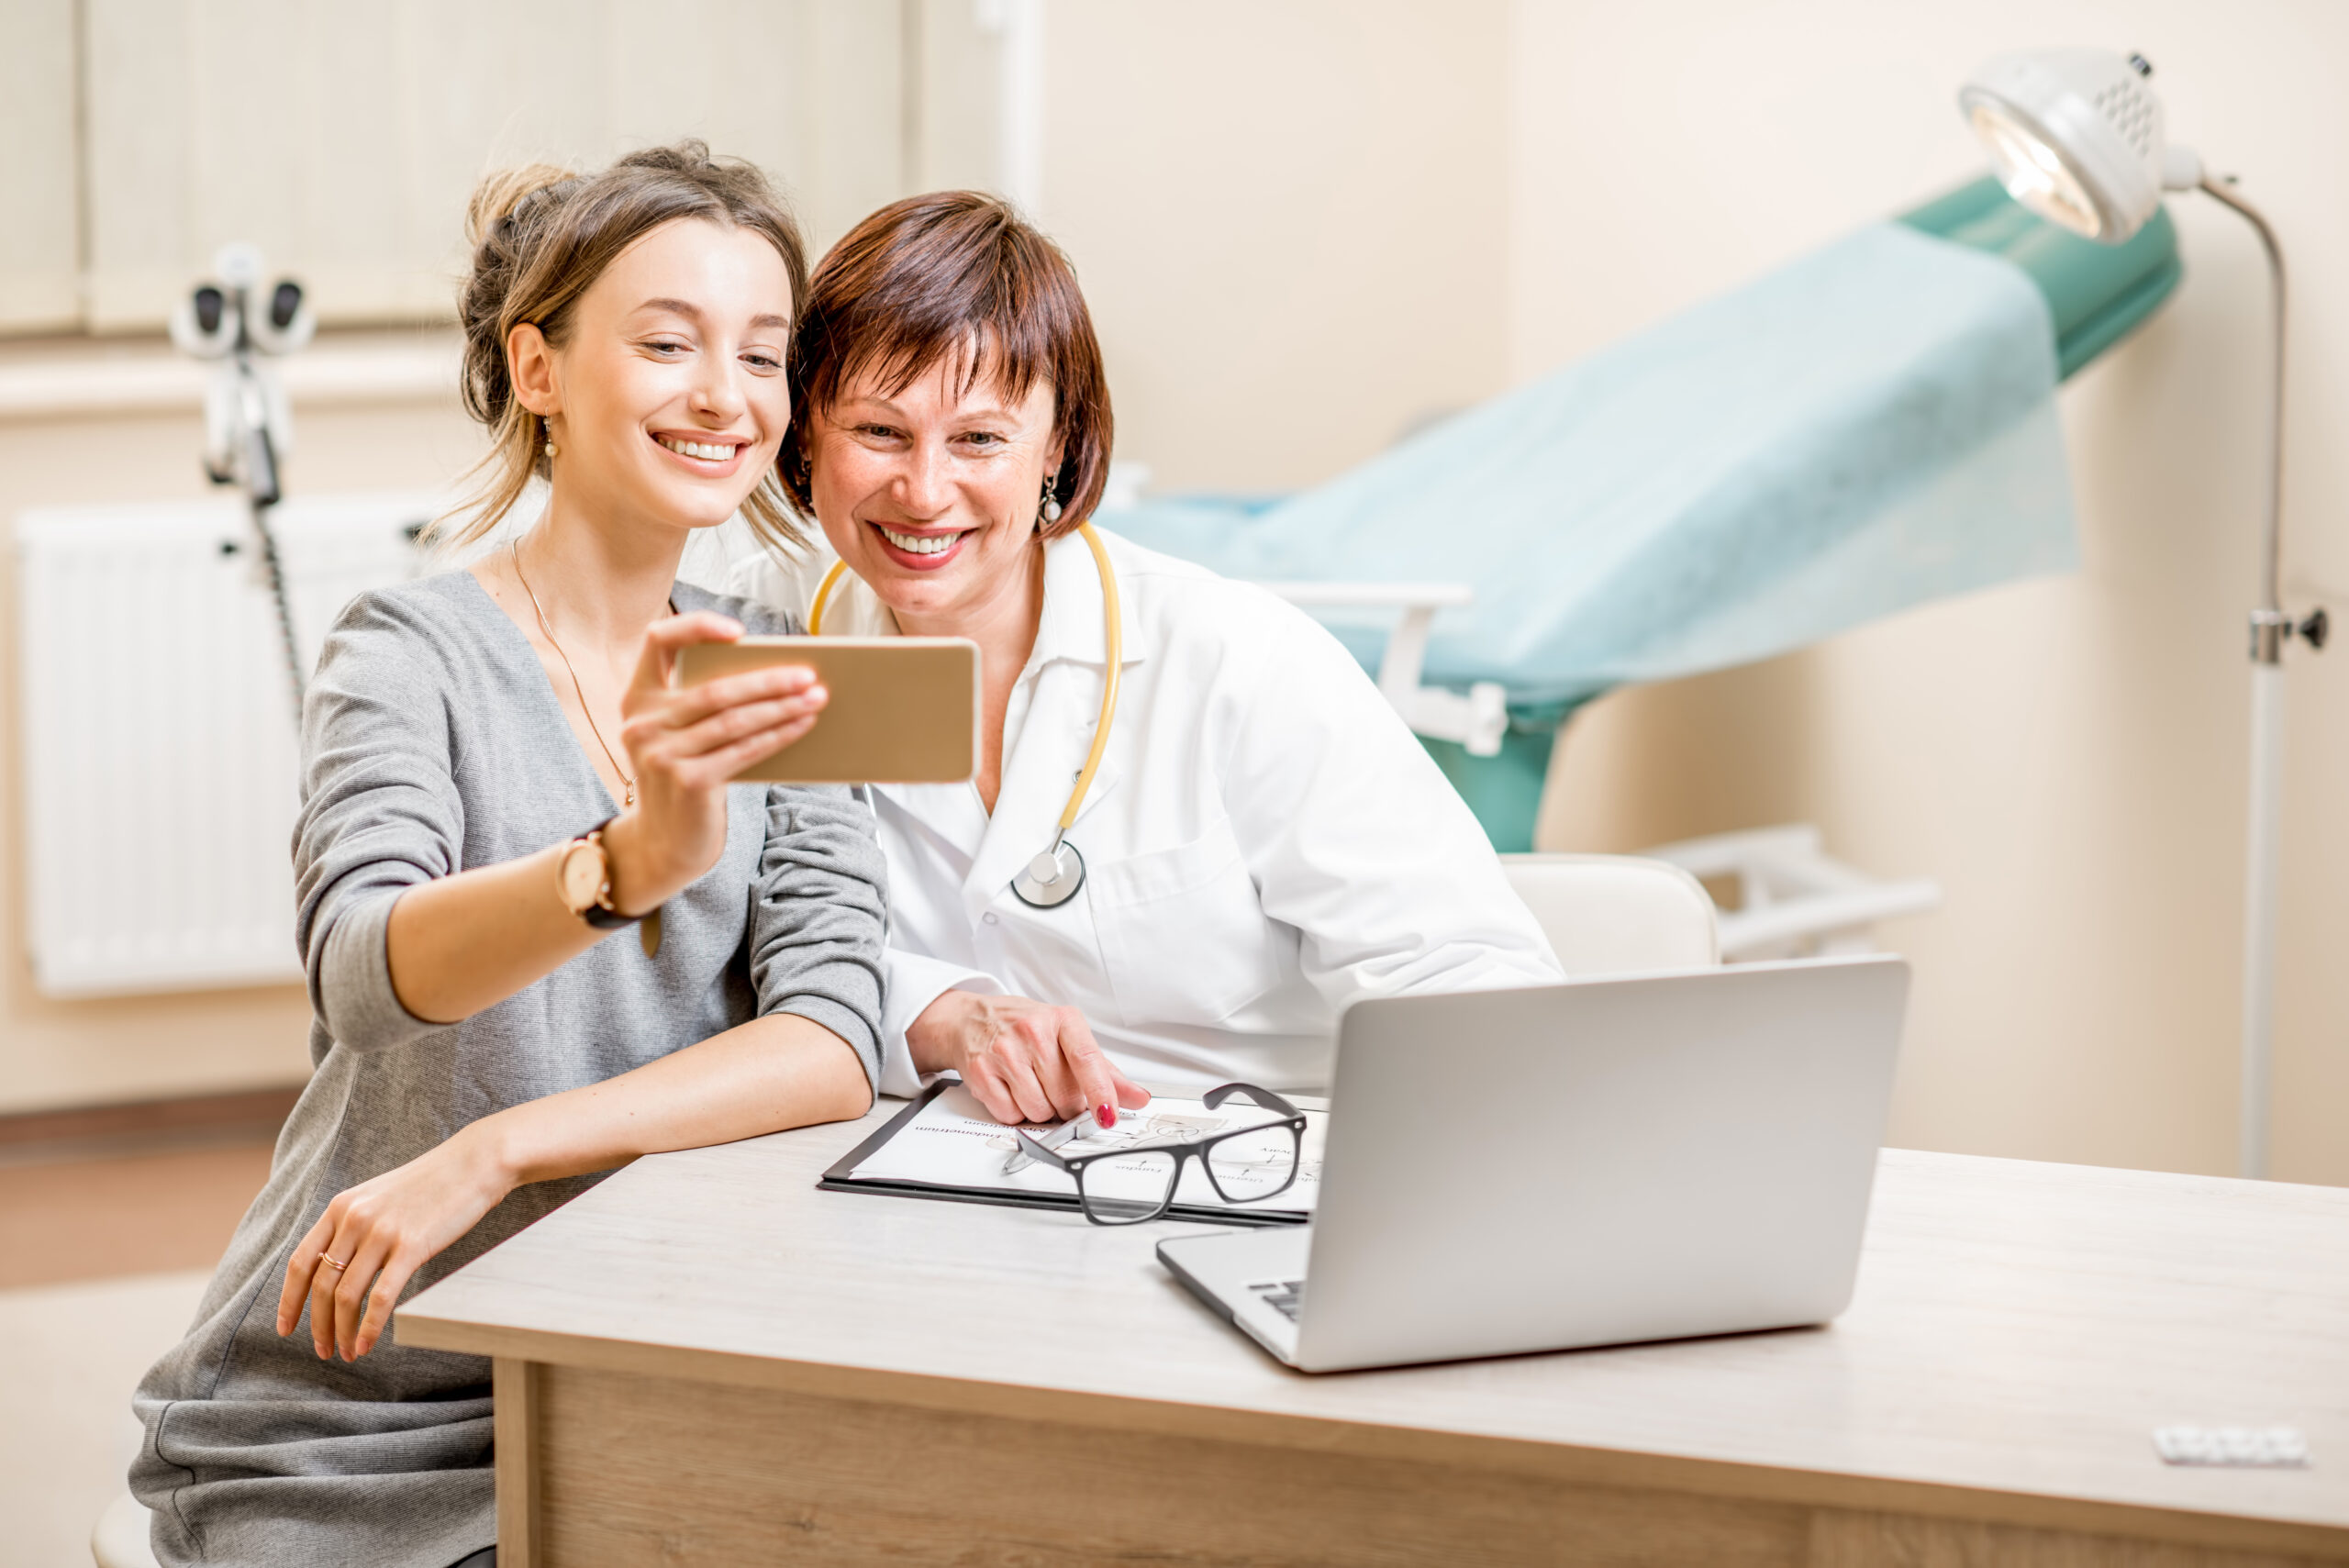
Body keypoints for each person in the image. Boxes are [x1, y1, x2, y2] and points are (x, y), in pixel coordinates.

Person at [130, 143, 886, 1568]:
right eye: (669, 343)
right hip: (361, 1408)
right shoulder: (407, 653)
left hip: (642, 1375)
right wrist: (621, 865)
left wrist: (495, 1150)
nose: (727, 396)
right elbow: (367, 970)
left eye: (763, 355)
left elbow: (838, 1034)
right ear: (538, 367)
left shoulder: (782, 670)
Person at [731, 192, 1560, 1129]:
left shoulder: (1234, 658)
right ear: (806, 431)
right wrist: (937, 1012)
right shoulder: (760, 637)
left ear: (1056, 444)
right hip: (915, 1175)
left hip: (1249, 1159)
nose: (925, 491)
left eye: (980, 439)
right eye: (878, 431)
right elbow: (725, 950)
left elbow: (1470, 977)